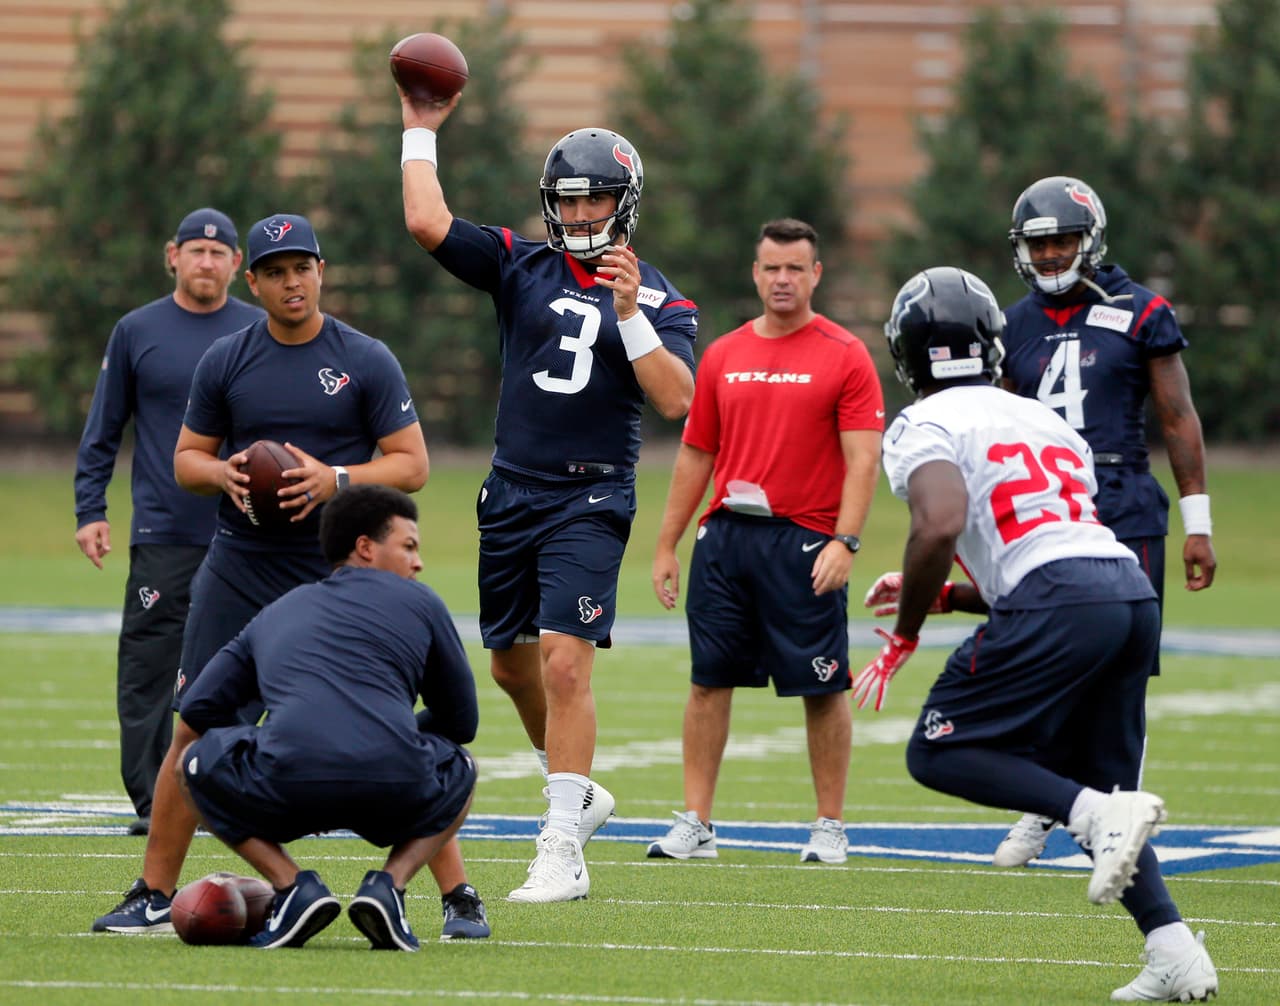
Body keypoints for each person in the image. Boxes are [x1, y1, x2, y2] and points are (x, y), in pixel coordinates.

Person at [855, 266, 1218, 1003]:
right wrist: (953, 595)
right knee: (1112, 783)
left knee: (940, 749)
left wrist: (906, 635)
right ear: (993, 346)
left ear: (906, 355)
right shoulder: (1048, 421)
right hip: (1126, 593)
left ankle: (1090, 812)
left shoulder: (923, 424)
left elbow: (940, 521)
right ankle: (1175, 951)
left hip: (1062, 599)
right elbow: (1051, 545)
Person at [91, 212, 430, 933]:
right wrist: (226, 473)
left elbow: (413, 464)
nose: (291, 282)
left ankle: (439, 893)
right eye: (275, 272)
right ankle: (152, 890)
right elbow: (186, 460)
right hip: (239, 564)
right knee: (195, 728)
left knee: (387, 726)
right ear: (256, 281)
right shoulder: (226, 359)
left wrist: (333, 477)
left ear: (320, 271)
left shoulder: (365, 357)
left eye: (301, 268)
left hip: (334, 570)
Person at [398, 92, 698, 902]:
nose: (579, 210)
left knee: (567, 664)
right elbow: (428, 223)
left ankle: (562, 841)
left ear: (624, 202)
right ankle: (577, 786)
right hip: (512, 489)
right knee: (510, 665)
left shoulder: (661, 296)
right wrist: (420, 128)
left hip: (592, 496)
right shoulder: (519, 262)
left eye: (593, 196)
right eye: (567, 198)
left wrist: (632, 316)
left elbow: (676, 399)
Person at [993, 175, 1217, 867]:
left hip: (1123, 495)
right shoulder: (1013, 323)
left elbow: (1177, 417)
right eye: (1040, 243)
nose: (1053, 254)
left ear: (1090, 241)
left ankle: (1119, 810)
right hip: (1046, 506)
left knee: (1122, 670)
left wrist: (1198, 521)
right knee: (1043, 661)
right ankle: (1046, 802)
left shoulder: (1142, 310)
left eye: (1063, 240)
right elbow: (997, 423)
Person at [646, 219, 883, 864]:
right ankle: (696, 822)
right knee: (708, 680)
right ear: (756, 273)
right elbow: (696, 454)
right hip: (726, 541)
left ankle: (828, 826)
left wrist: (848, 542)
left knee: (822, 686)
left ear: (815, 274)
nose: (782, 279)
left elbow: (864, 460)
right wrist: (667, 544)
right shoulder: (723, 353)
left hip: (806, 542)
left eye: (795, 268)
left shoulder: (845, 354)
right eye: (772, 268)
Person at [175, 485, 487, 949]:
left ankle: (291, 885)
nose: (418, 562)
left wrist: (279, 738)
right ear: (365, 547)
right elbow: (462, 724)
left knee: (191, 763)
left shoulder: (277, 611)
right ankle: (390, 886)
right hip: (393, 785)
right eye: (408, 547)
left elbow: (200, 707)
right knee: (461, 764)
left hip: (284, 783)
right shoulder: (424, 603)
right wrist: (390, 733)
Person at [74, 208, 264, 835]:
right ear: (172, 256)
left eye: (219, 253)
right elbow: (103, 430)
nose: (206, 262)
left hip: (246, 535)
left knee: (249, 669)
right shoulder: (137, 331)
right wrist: (90, 510)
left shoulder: (260, 331)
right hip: (163, 533)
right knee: (148, 671)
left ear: (238, 264)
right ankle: (155, 802)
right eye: (195, 251)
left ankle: (227, 788)